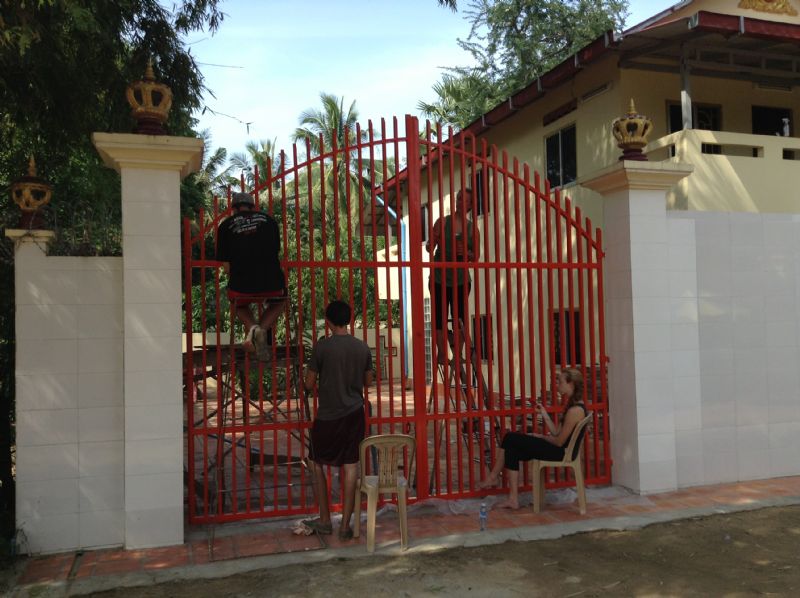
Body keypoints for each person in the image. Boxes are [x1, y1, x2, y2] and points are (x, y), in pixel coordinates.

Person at [302, 300, 374, 540]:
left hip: (328, 416)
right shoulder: (362, 348)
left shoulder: (322, 348)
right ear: (349, 320)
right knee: (351, 465)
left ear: (329, 322)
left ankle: (324, 519)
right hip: (354, 414)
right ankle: (345, 525)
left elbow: (309, 383)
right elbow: (368, 381)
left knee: (315, 462)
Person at [477, 368, 588, 509]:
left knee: (510, 438)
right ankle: (512, 499)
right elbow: (556, 432)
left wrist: (540, 436)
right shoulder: (573, 406)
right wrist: (544, 413)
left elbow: (559, 441)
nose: (557, 385)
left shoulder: (575, 411)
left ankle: (493, 478)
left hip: (561, 452)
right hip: (559, 449)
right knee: (512, 450)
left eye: (560, 382)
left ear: (570, 384)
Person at [216, 191, 286, 355]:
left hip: (241, 286)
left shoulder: (225, 226)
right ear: (253, 207)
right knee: (280, 301)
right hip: (272, 283)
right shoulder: (270, 221)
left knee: (238, 303)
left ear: (234, 209)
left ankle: (254, 328)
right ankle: (261, 329)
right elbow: (275, 252)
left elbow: (226, 267)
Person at [426, 188, 481, 365]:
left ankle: (458, 354)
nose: (460, 202)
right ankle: (442, 354)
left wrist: (467, 253)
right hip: (439, 278)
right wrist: (432, 241)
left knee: (460, 320)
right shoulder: (442, 222)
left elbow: (476, 257)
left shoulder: (472, 230)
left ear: (470, 205)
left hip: (460, 280)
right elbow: (429, 247)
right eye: (458, 198)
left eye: (465, 200)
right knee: (439, 319)